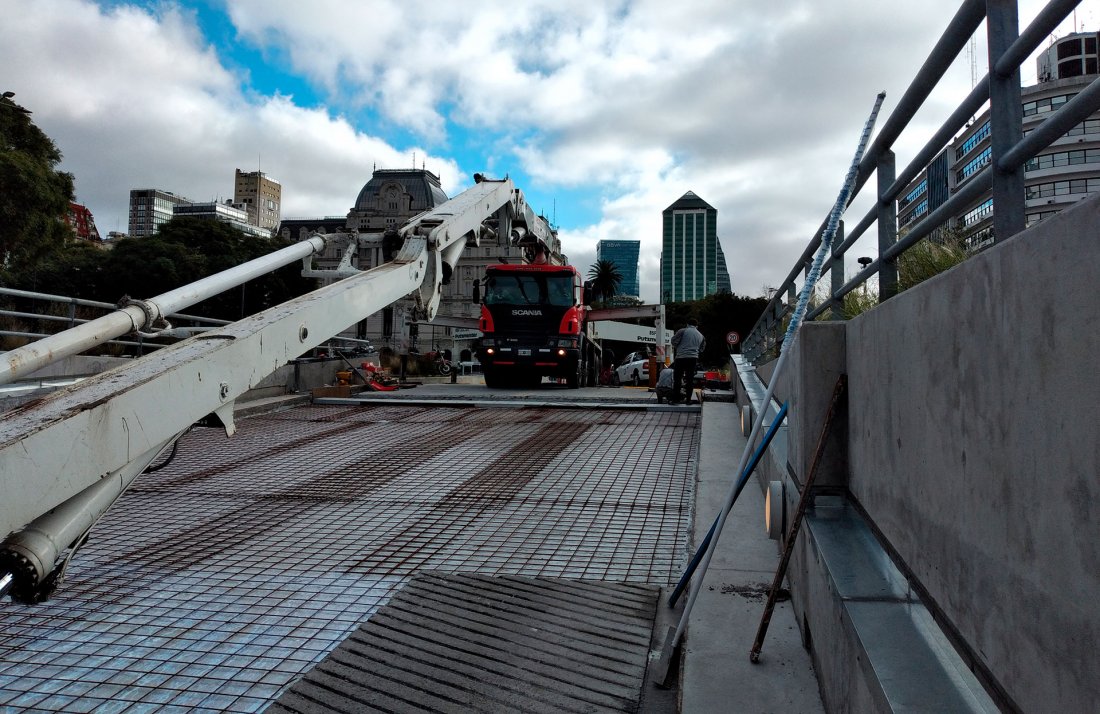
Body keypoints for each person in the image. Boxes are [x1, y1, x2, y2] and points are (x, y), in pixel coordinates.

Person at [670, 318, 706, 404]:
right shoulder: (701, 335)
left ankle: (676, 399)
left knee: (677, 379)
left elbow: (673, 341)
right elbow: (702, 349)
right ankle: (688, 400)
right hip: (693, 359)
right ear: (696, 326)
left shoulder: (682, 331)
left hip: (681, 357)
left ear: (687, 324)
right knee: (690, 379)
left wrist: (679, 347)